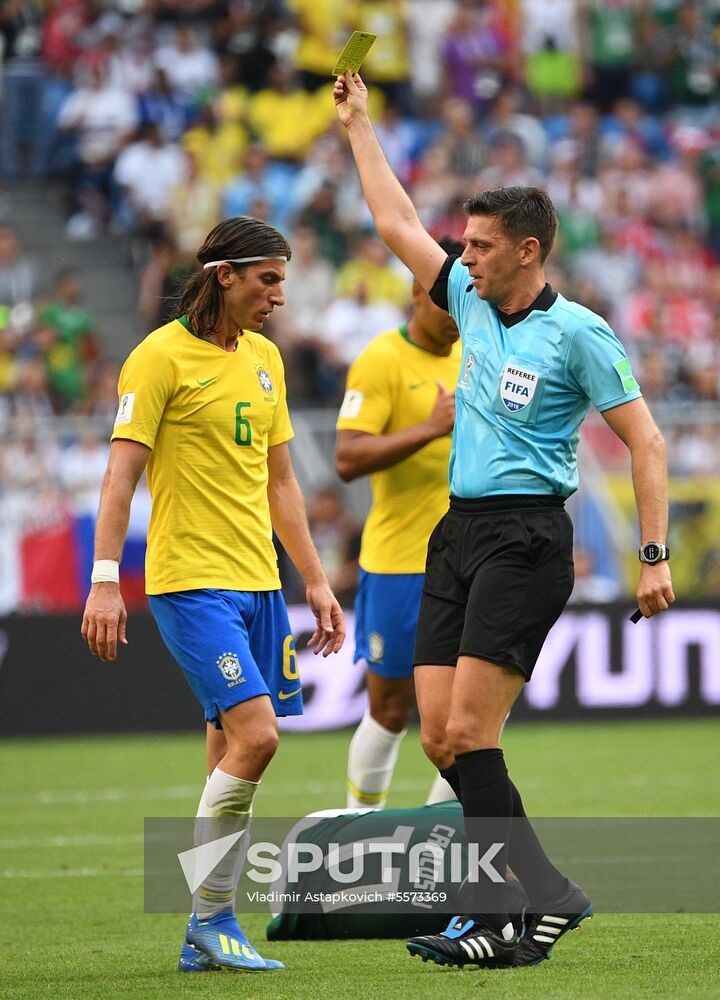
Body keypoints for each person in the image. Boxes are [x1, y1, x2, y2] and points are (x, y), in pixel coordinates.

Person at [333, 70, 675, 969]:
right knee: (443, 738)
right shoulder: (471, 302)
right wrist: (359, 126)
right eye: (467, 245)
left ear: (529, 250)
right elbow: (398, 225)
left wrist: (652, 554)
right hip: (457, 533)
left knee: (472, 736)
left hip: (525, 538)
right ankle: (547, 895)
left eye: (482, 245)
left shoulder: (581, 335)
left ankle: (500, 915)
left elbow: (645, 443)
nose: (464, 256)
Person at [81, 216, 345, 974]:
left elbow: (282, 480)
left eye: (284, 280)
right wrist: (104, 582)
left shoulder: (265, 359)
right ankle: (212, 918)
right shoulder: (158, 357)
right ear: (224, 275)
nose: (280, 297)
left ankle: (207, 943)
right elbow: (120, 478)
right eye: (268, 280)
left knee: (228, 754)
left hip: (259, 582)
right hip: (190, 582)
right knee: (259, 738)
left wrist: (317, 581)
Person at [334, 238, 463, 811]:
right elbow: (347, 458)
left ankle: (443, 845)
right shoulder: (382, 358)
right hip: (399, 564)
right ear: (417, 289)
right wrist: (428, 430)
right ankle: (361, 830)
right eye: (447, 299)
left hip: (468, 563)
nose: (459, 313)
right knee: (390, 709)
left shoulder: (479, 352)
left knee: (466, 723)